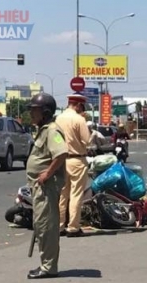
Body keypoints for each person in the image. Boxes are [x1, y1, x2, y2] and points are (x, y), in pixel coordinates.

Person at [26, 93, 68, 279]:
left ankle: (49, 267)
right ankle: (46, 264)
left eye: (34, 110)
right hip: (41, 186)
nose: (31, 114)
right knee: (41, 224)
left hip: (47, 186)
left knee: (46, 226)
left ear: (45, 112)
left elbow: (61, 154)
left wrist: (46, 174)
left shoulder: (52, 131)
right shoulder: (44, 130)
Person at [55, 93, 91, 238]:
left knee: (63, 195)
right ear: (78, 105)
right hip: (77, 160)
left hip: (62, 159)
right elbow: (87, 141)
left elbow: (56, 138)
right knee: (76, 194)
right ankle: (73, 227)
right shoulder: (79, 119)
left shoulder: (58, 118)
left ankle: (59, 226)